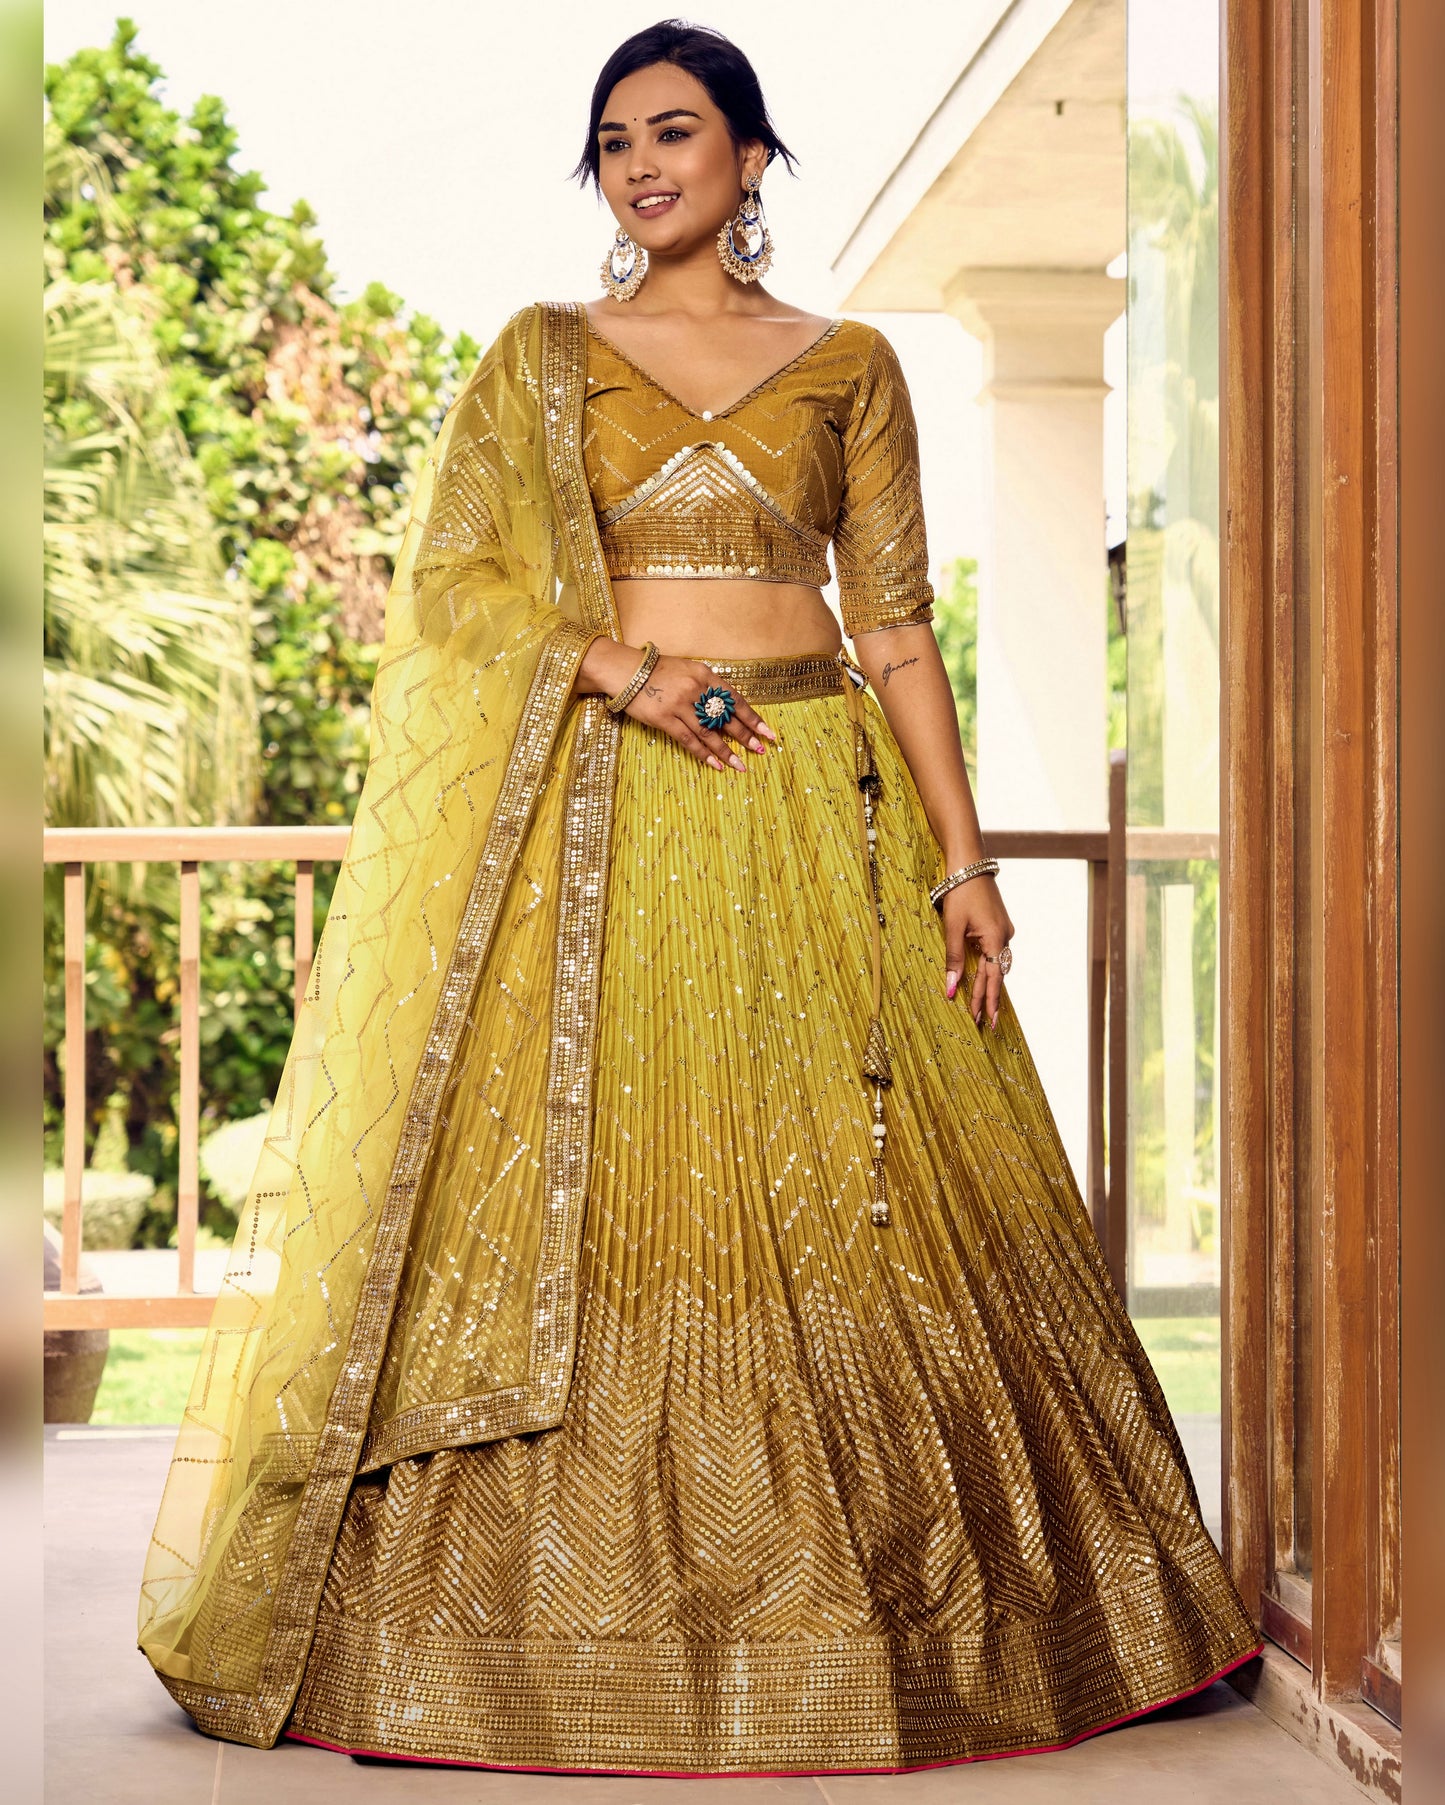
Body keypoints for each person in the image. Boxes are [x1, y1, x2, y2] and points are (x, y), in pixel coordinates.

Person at [137, 17, 1261, 1777]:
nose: (641, 165)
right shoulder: (541, 359)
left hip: (813, 800)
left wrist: (961, 858)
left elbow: (897, 626)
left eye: (673, 131)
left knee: (851, 1186)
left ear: (749, 156)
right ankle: (516, 1640)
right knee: (616, 1176)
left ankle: (954, 1610)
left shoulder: (852, 366)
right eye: (613, 142)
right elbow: (454, 589)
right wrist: (618, 668)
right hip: (609, 810)